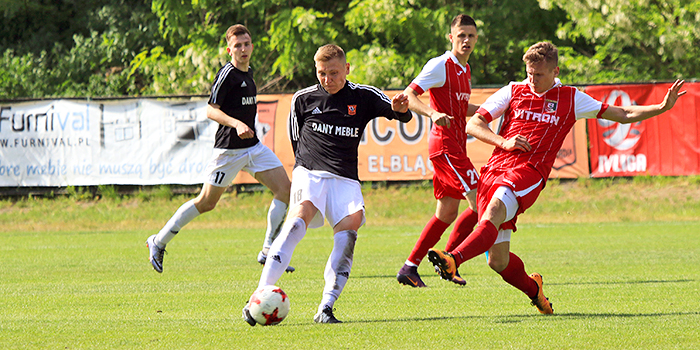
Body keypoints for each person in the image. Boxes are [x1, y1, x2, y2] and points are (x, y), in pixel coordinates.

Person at [427, 41, 686, 314]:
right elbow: (474, 123)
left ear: (555, 71)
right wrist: (503, 142)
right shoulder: (513, 90)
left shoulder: (570, 97)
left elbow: (621, 114)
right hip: (494, 170)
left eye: (538, 75)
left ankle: (454, 257)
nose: (532, 79)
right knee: (498, 262)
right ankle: (535, 291)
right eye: (529, 73)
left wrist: (661, 107)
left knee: (493, 211)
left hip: (529, 173)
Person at [243, 44, 412, 325]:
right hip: (310, 172)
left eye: (333, 72)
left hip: (345, 177)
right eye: (322, 73)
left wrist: (400, 110)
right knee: (299, 219)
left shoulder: (364, 96)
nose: (327, 79)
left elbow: (399, 113)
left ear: (346, 69)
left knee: (351, 227)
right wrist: (303, 169)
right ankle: (258, 297)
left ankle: (326, 307)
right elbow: (296, 140)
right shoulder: (303, 99)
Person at [146, 24, 293, 274]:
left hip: (253, 147)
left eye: (246, 44)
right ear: (229, 50)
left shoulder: (249, 74)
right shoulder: (227, 74)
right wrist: (236, 124)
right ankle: (157, 241)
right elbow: (211, 109)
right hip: (229, 151)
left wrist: (245, 128)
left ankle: (268, 249)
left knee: (285, 190)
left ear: (252, 46)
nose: (243, 49)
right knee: (206, 203)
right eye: (238, 45)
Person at [396, 14, 481, 288]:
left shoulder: (464, 70)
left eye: (471, 36)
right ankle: (451, 259)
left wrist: (487, 112)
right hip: (445, 146)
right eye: (461, 35)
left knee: (446, 213)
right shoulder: (441, 65)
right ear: (451, 38)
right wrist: (432, 113)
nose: (466, 40)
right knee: (482, 202)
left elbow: (461, 107)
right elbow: (409, 95)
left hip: (456, 145)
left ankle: (409, 267)